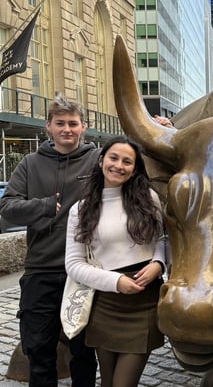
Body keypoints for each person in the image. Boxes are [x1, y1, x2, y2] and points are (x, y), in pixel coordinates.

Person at [0, 95, 98, 386]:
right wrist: (42, 206)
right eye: (60, 123)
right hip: (41, 270)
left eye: (72, 123)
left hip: (83, 272)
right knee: (39, 350)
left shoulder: (97, 160)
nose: (66, 129)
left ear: (83, 127)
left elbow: (133, 163)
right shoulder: (30, 163)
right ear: (48, 127)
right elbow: (6, 207)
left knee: (83, 351)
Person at [65, 135, 168, 387]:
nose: (118, 165)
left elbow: (163, 240)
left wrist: (158, 264)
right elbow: (74, 264)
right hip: (105, 300)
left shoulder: (149, 200)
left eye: (127, 161)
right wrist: (116, 281)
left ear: (134, 170)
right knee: (108, 382)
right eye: (113, 158)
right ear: (101, 161)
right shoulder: (80, 209)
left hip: (144, 298)